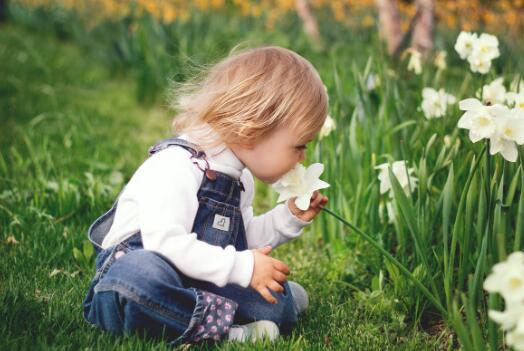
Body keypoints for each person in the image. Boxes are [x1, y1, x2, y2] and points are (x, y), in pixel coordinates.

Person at [82, 45, 329, 346]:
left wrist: (289, 217)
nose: (302, 157)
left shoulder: (240, 178)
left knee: (276, 304)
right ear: (252, 128)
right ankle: (226, 331)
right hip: (142, 274)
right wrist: (243, 268)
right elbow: (165, 245)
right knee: (137, 280)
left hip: (195, 277)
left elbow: (242, 240)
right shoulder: (177, 165)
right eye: (299, 146)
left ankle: (256, 305)